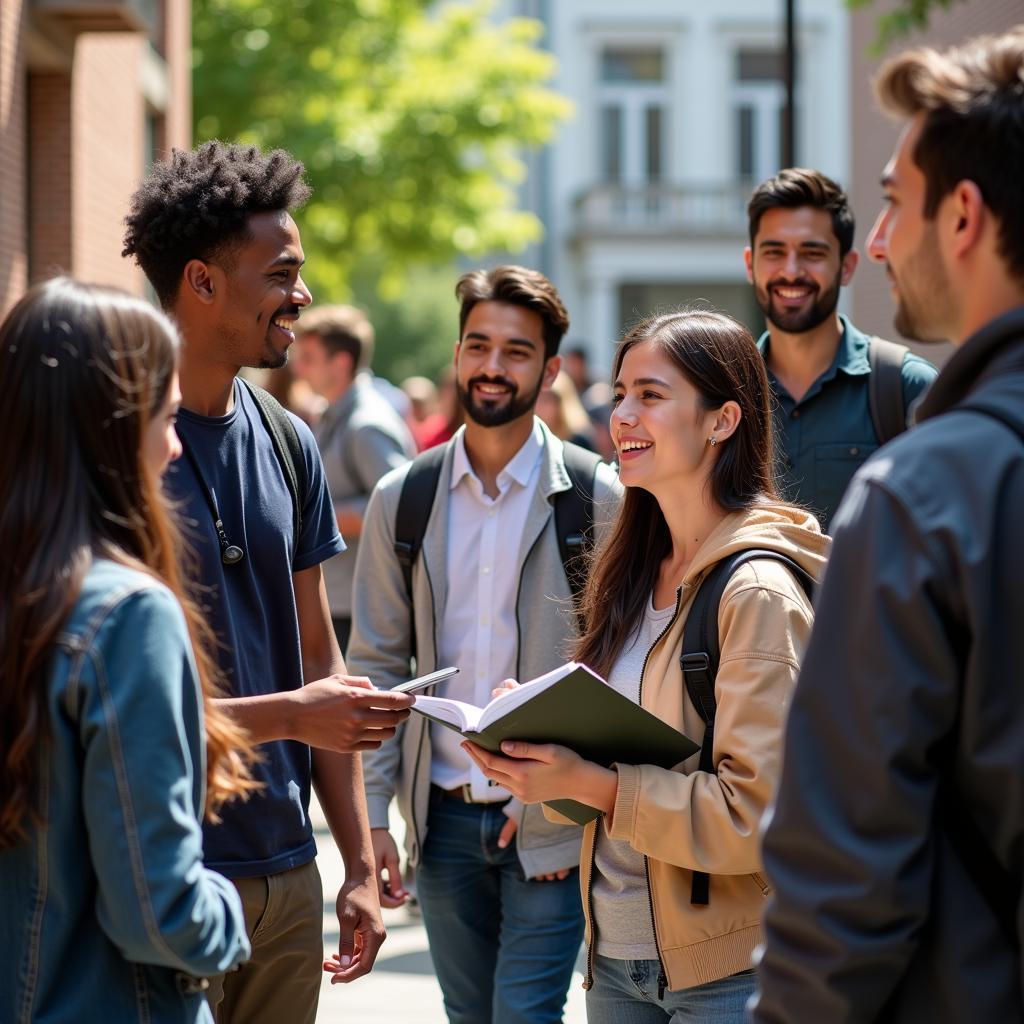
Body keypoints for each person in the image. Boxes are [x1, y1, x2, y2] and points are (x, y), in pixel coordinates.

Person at [750, 27, 1024, 1024]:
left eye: (894, 203)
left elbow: (847, 864)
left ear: (962, 215)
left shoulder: (924, 484)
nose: (883, 243)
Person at [465, 309, 828, 1022]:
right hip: (614, 958)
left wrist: (591, 785)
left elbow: (757, 815)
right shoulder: (634, 565)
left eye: (651, 396)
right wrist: (544, 737)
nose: (621, 415)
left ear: (724, 420)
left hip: (727, 970)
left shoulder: (755, 591)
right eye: (621, 392)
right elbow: (632, 755)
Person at [121, 141, 414, 1024]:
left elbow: (318, 659)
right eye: (283, 272)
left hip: (287, 877)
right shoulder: (115, 446)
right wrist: (293, 715)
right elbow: (113, 709)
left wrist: (355, 867)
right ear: (203, 283)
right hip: (162, 876)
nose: (304, 294)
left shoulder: (289, 440)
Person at [348, 265, 621, 1024]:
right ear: (458, 353)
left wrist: (558, 793)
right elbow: (375, 667)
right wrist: (375, 820)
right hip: (441, 825)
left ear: (551, 367)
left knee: (526, 1016)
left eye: (516, 350)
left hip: (553, 823)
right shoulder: (402, 497)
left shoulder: (601, 497)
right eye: (478, 345)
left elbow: (620, 666)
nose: (493, 366)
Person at [0, 278, 254, 1022]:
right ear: (111, 424)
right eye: (167, 416)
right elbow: (160, 911)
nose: (176, 446)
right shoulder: (127, 615)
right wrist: (230, 916)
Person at [744, 167, 937, 528]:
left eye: (811, 253)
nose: (791, 270)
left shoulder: (908, 388)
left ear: (847, 267)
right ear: (750, 264)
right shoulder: (723, 393)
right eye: (774, 252)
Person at [291, 304, 416, 653]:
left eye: (309, 358)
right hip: (340, 597)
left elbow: (397, 509)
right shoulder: (336, 414)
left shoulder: (367, 424)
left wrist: (307, 519)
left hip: (357, 605)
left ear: (341, 363)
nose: (298, 368)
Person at [536, 369, 598, 451]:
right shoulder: (532, 438)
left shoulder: (579, 441)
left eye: (547, 399)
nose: (540, 405)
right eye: (537, 398)